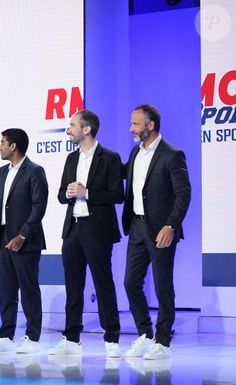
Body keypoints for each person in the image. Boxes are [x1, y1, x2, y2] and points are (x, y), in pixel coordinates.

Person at [48, 109, 123, 357]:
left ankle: (111, 337)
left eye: (72, 125)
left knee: (103, 284)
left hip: (97, 230)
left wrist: (87, 192)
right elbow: (60, 194)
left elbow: (117, 195)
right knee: (73, 285)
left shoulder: (110, 158)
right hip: (73, 228)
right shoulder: (71, 158)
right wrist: (68, 193)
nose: (69, 130)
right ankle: (71, 338)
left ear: (86, 129)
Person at [122, 104, 191, 360]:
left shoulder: (172, 154)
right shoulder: (135, 153)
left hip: (161, 229)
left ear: (150, 126)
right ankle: (144, 333)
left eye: (136, 124)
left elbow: (183, 194)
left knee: (163, 286)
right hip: (137, 227)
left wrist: (171, 225)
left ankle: (162, 341)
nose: (131, 128)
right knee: (130, 281)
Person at [0, 128, 48, 354]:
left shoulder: (34, 171)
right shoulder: (1, 172)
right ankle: (6, 334)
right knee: (7, 289)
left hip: (26, 241)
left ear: (13, 146)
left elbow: (39, 207)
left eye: (2, 142)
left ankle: (32, 337)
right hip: (3, 239)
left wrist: (22, 235)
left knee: (28, 289)